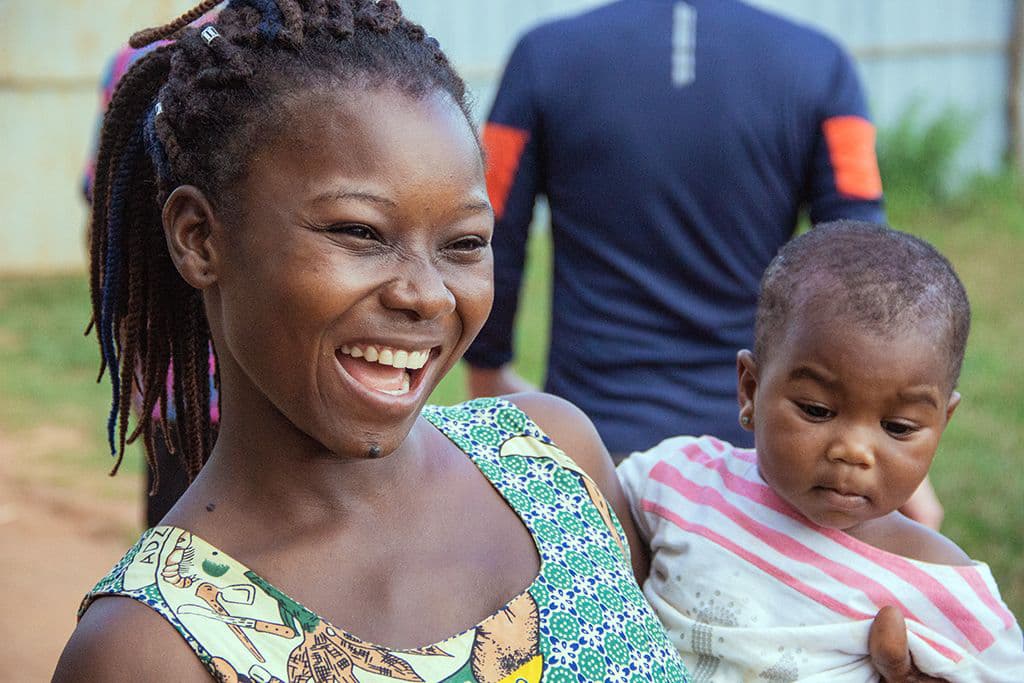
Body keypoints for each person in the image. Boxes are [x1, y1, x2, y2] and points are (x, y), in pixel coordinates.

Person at [53, 1, 691, 680]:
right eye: (359, 232)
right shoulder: (151, 649)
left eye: (466, 242)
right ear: (199, 238)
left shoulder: (556, 464)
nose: (426, 294)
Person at [463, 0, 943, 530]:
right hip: (758, 464)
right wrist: (890, 438)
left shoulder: (544, 55)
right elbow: (869, 267)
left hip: (588, 452)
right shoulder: (820, 64)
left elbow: (491, 228)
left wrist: (487, 374)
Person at [619, 221, 1024, 681]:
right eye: (816, 410)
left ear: (942, 424)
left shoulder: (942, 584)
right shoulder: (684, 479)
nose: (853, 451)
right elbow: (580, 514)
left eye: (898, 426)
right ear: (750, 389)